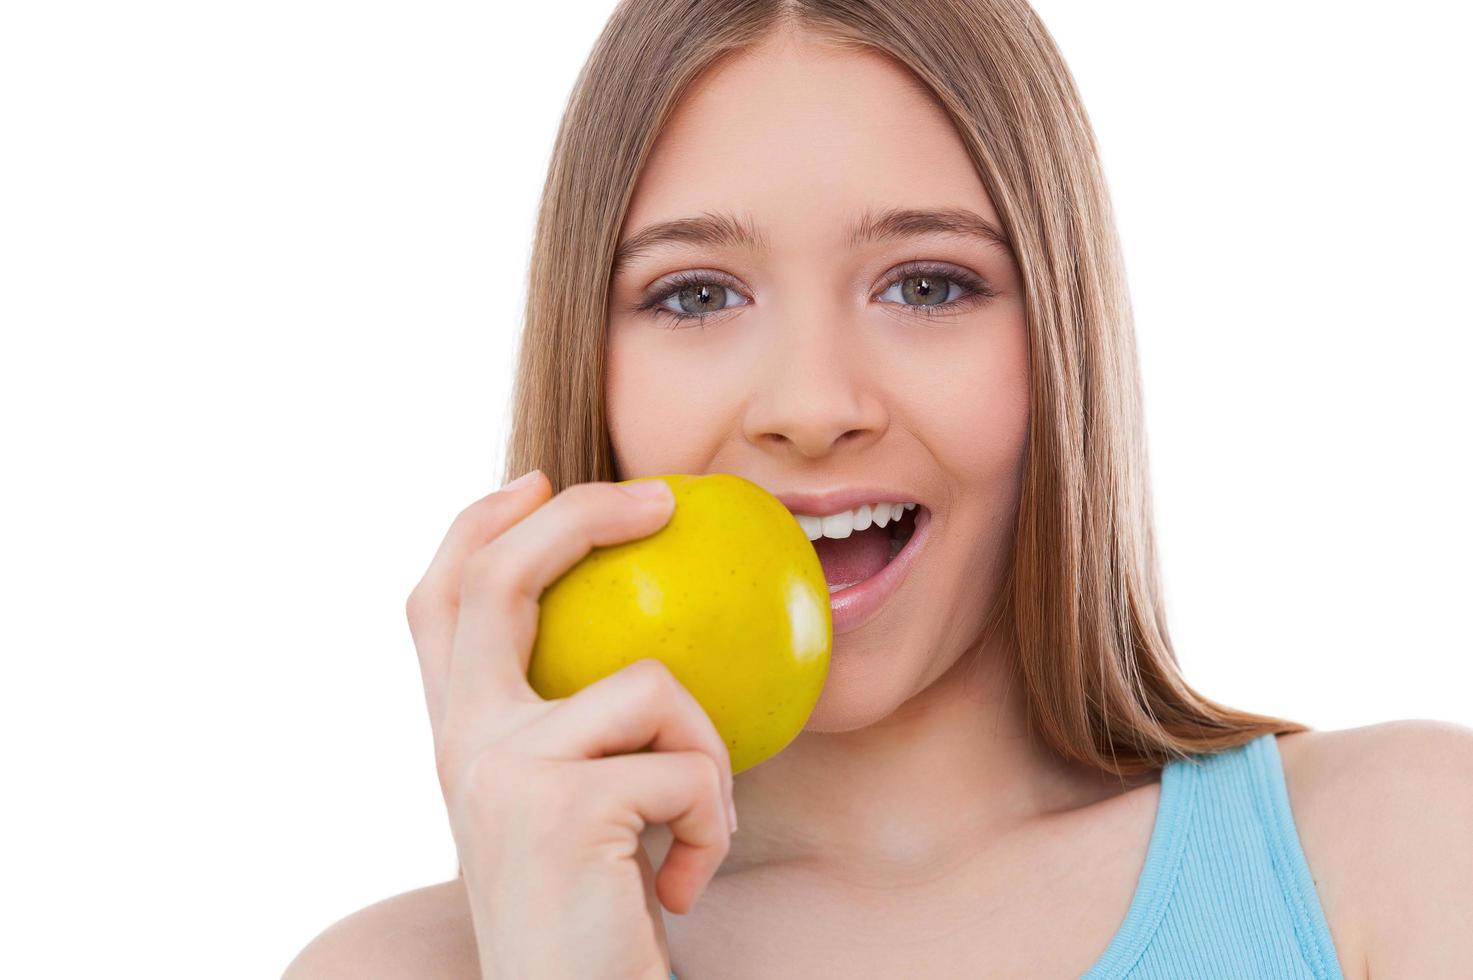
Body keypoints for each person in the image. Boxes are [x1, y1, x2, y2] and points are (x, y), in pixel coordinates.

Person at [283, 1, 1473, 977]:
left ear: (1060, 343)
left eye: (928, 284)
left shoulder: (1402, 852)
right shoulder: (410, 967)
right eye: (696, 294)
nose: (812, 402)